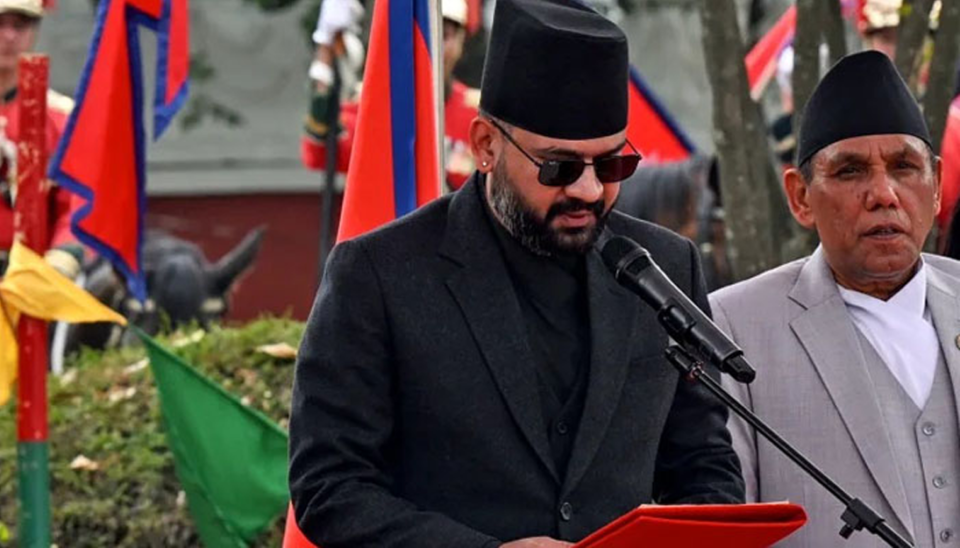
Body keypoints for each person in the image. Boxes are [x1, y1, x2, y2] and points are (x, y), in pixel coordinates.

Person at [288, 0, 745, 545]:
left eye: (612, 164)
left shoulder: (665, 265)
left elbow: (705, 467)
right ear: (486, 146)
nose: (589, 191)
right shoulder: (378, 274)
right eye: (559, 167)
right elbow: (330, 487)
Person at [711, 51, 960, 548]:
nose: (884, 194)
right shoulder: (734, 327)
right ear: (800, 197)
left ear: (935, 187)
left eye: (904, 167)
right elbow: (722, 522)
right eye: (850, 172)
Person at [301, 0, 481, 191]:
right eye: (422, 35)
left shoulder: (477, 114)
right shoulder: (371, 106)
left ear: (461, 42)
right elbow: (320, 152)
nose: (432, 47)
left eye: (443, 36)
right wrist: (325, 53)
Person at [0, 0, 80, 278]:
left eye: (20, 25)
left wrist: (62, 257)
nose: (9, 36)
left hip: (36, 274)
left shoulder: (61, 118)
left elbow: (76, 203)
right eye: (0, 24)